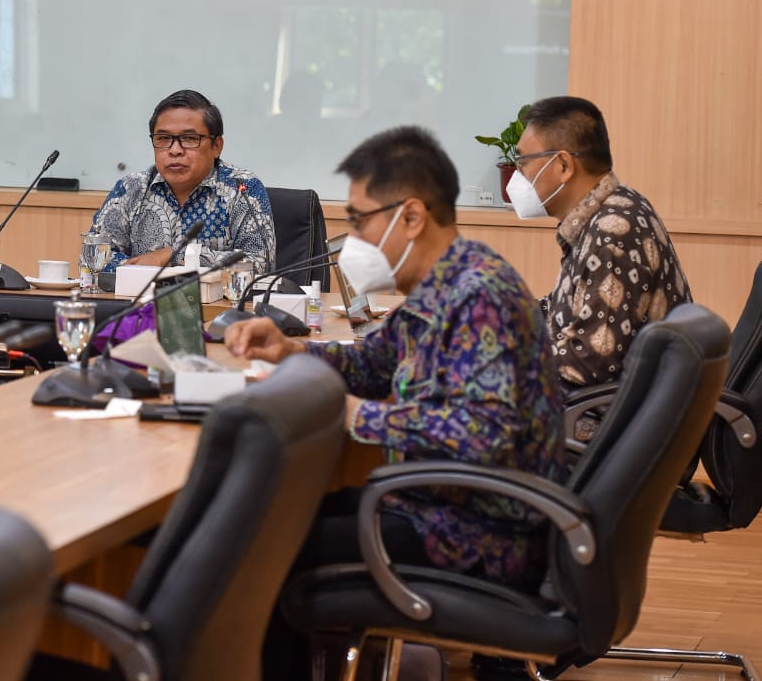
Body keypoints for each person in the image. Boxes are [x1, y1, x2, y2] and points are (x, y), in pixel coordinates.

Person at [224, 127, 563, 678]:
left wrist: (357, 415)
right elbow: (372, 362)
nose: (350, 237)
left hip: (478, 532)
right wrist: (291, 350)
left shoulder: (479, 295)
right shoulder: (446, 282)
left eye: (359, 221)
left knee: (263, 545)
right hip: (437, 506)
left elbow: (482, 432)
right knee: (264, 518)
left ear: (410, 217)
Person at [508, 95, 691, 390]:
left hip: (598, 420)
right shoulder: (609, 211)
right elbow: (561, 312)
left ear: (564, 165)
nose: (518, 175)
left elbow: (587, 363)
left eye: (524, 162)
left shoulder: (614, 232)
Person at [90, 89, 276, 274]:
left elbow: (258, 264)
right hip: (140, 302)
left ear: (216, 146)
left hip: (219, 304)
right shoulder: (130, 189)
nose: (175, 150)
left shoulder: (242, 188)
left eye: (189, 139)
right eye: (163, 138)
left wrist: (178, 256)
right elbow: (94, 256)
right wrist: (142, 269)